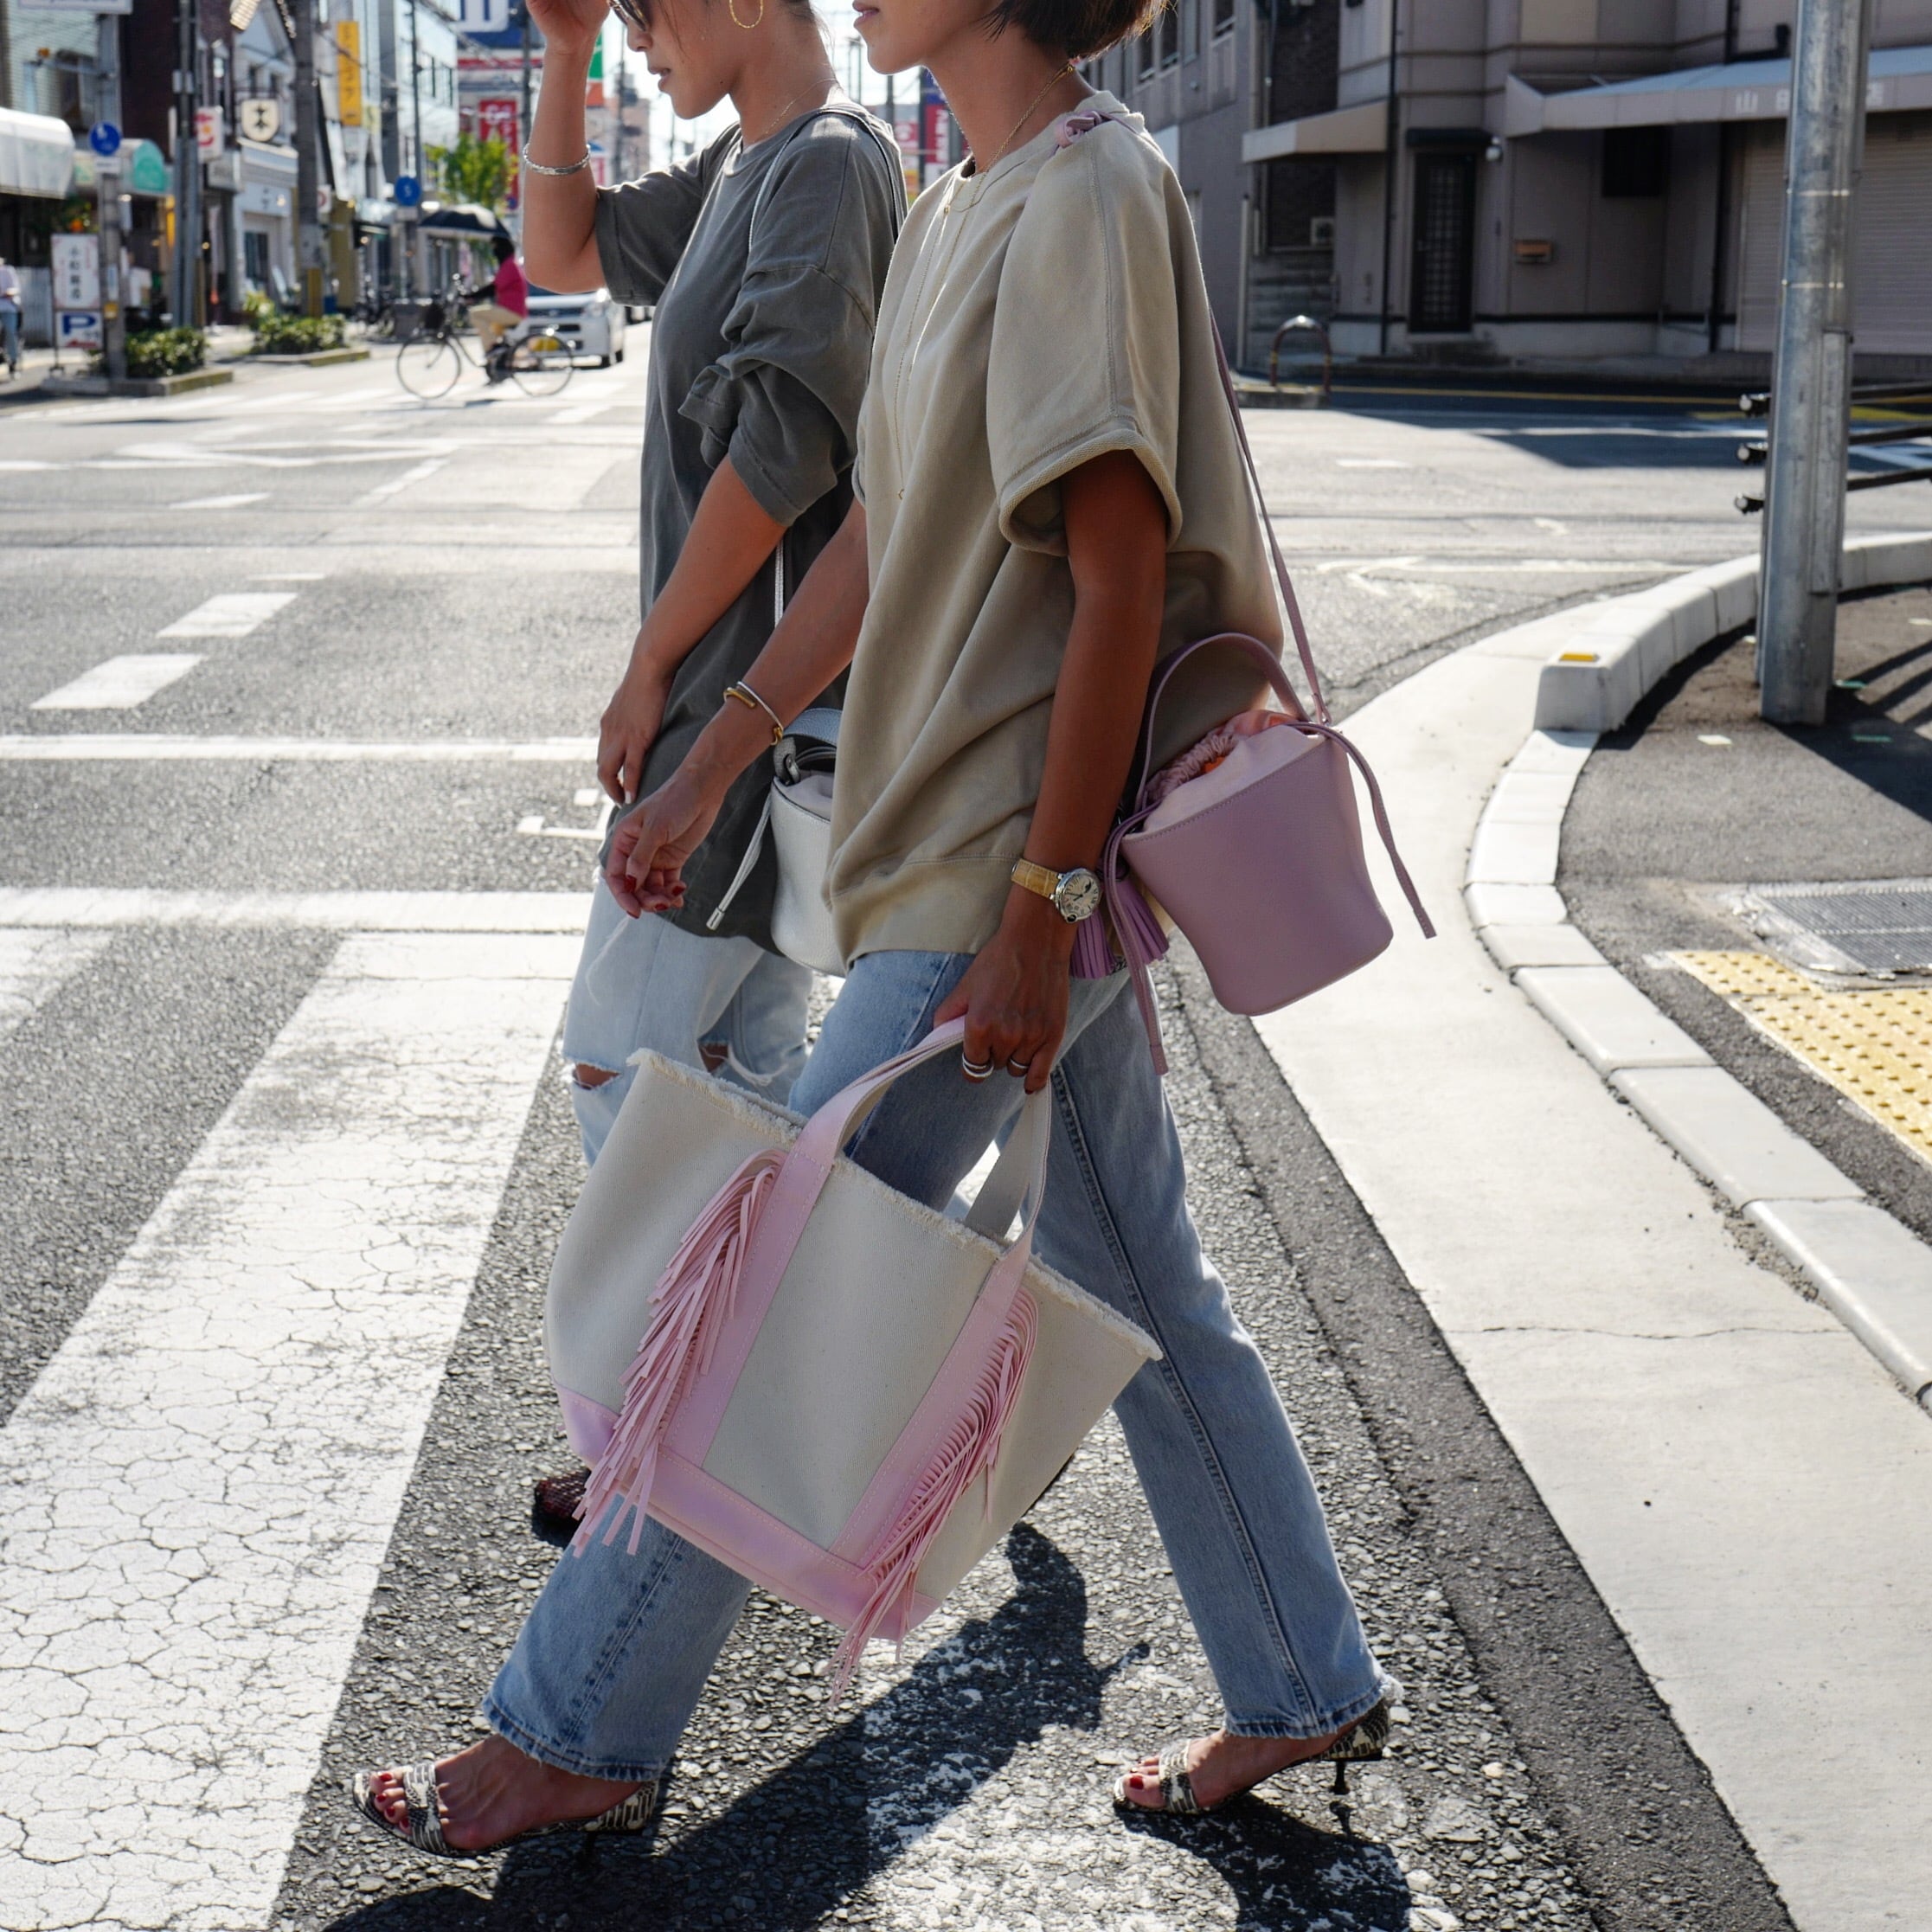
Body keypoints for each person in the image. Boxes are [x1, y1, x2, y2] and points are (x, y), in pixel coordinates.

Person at [350, 0, 1398, 1860]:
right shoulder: (959, 202)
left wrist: (1041, 902)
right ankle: (1304, 1682)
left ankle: (578, 1722)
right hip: (967, 867)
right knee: (1153, 1287)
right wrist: (714, 752)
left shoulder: (1083, 192)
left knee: (775, 1294)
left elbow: (1117, 577)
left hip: (993, 879)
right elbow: (879, 538)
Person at [512, 0, 901, 1536]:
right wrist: (554, 57)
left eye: (644, 14)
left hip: (746, 721)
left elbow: (782, 449)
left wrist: (655, 664)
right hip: (750, 718)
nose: (635, 45)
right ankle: (723, 1415)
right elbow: (555, 250)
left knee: (624, 1058)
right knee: (736, 1085)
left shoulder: (823, 168)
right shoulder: (746, 170)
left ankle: (687, 1420)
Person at [471, 234, 530, 374]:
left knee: (475, 314)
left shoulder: (509, 265)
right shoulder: (509, 264)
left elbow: (493, 288)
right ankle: (495, 368)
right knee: (493, 331)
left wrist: (471, 296)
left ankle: (492, 348)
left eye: (495, 247)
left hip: (511, 312)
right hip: (508, 310)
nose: (494, 251)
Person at [0, 254, 22, 378]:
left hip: (9, 307)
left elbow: (16, 289)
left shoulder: (8, 271)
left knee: (10, 331)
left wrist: (7, 293)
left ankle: (13, 362)